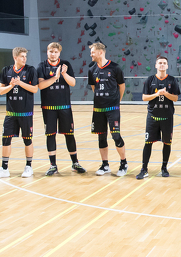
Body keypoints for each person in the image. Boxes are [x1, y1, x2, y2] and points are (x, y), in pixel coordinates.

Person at [37, 42, 85, 176]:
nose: (53, 54)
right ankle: (53, 165)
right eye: (51, 51)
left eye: (56, 52)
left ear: (59, 53)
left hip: (64, 106)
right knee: (50, 135)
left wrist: (64, 74)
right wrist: (55, 77)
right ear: (47, 52)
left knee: (69, 134)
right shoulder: (41, 66)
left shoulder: (65, 64)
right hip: (48, 107)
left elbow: (73, 83)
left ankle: (75, 163)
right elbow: (41, 85)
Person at [0, 47, 38, 179]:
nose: (24, 59)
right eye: (22, 56)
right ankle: (4, 168)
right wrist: (11, 85)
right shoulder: (6, 70)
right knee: (6, 139)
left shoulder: (30, 70)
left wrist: (20, 83)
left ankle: (28, 167)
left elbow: (35, 89)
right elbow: (1, 91)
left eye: (25, 56)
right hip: (10, 113)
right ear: (15, 57)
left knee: (27, 139)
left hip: (26, 113)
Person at [137, 56, 181, 179]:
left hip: (167, 117)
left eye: (164, 63)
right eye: (160, 63)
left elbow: (176, 98)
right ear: (156, 65)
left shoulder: (172, 80)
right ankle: (144, 169)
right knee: (148, 143)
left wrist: (165, 93)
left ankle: (164, 168)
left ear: (167, 66)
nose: (162, 65)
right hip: (152, 116)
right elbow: (144, 97)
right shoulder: (150, 80)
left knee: (167, 143)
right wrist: (156, 94)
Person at [88, 42, 127, 176]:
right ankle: (105, 165)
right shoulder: (92, 69)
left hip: (112, 107)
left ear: (100, 52)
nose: (91, 55)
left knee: (116, 135)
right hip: (98, 109)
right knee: (101, 137)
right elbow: (94, 87)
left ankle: (123, 163)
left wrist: (117, 101)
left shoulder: (115, 68)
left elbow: (121, 86)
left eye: (93, 52)